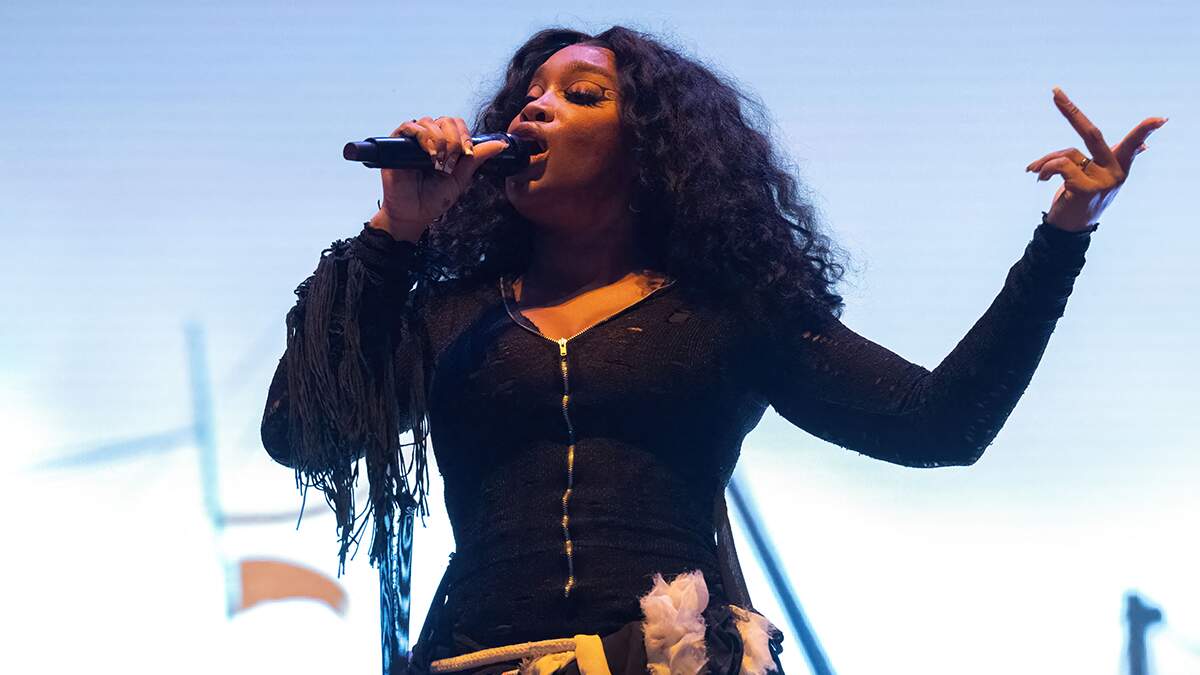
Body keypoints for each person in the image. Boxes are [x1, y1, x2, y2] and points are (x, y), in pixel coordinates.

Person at [259, 25, 1166, 675]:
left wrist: (1065, 234)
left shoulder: (723, 315)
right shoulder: (454, 315)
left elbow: (942, 422)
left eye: (580, 94)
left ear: (649, 151)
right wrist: (396, 232)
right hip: (479, 655)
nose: (537, 105)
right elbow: (302, 433)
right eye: (529, 94)